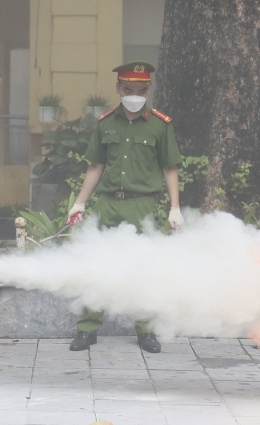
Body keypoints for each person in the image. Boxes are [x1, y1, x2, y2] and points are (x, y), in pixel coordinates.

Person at [65, 61, 185, 354]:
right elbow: (96, 166)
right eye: (128, 89)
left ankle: (146, 331)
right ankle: (87, 329)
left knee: (142, 268)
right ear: (118, 88)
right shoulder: (106, 123)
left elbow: (170, 168)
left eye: (141, 90)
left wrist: (175, 207)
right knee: (97, 265)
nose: (135, 95)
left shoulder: (159, 125)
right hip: (108, 205)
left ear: (149, 89)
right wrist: (80, 202)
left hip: (141, 205)